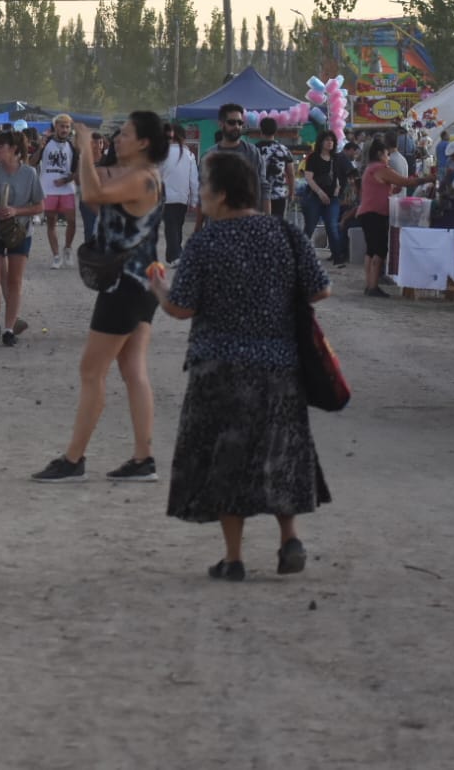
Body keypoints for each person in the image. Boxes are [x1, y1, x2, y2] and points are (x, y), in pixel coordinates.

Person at [153, 151, 331, 581]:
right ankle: (289, 538)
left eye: (206, 188)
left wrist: (159, 286)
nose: (202, 197)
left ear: (223, 194)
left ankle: (233, 559)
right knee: (281, 456)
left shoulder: (206, 242)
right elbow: (320, 291)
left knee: (226, 462)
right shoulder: (285, 234)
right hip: (280, 367)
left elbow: (180, 308)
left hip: (219, 369)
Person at [31, 113, 166, 483]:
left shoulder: (142, 178)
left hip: (125, 286)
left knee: (92, 371)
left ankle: (74, 458)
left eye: (125, 134)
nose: (116, 139)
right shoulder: (140, 175)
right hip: (140, 282)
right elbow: (96, 196)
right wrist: (89, 157)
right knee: (133, 370)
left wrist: (83, 153)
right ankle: (143, 458)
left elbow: (91, 194)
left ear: (143, 143)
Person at [0, 128, 44, 347]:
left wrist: (16, 211)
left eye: (1, 146)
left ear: (14, 150)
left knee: (14, 281)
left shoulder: (29, 174)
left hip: (19, 232)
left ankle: (9, 328)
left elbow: (40, 205)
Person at [355, 139, 430, 297]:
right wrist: (428, 179)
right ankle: (373, 286)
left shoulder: (370, 168)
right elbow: (406, 181)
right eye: (387, 154)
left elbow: (379, 189)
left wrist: (392, 190)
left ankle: (369, 284)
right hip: (376, 213)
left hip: (367, 212)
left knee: (371, 250)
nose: (388, 158)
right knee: (379, 250)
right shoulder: (380, 168)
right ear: (379, 154)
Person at [34, 114, 79, 269]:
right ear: (56, 128)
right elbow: (32, 162)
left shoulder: (72, 146)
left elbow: (77, 170)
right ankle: (56, 256)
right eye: (62, 126)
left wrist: (66, 180)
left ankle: (67, 247)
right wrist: (40, 148)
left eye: (67, 127)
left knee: (72, 221)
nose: (65, 130)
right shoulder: (46, 143)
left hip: (67, 189)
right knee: (51, 222)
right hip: (48, 188)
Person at [300, 130, 345, 266]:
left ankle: (338, 257)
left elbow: (339, 177)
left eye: (332, 140)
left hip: (332, 198)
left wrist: (337, 189)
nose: (330, 142)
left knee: (332, 225)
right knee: (310, 227)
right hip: (314, 196)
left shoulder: (336, 158)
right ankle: (301, 256)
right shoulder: (313, 157)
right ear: (321, 142)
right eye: (327, 140)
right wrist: (320, 192)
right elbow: (309, 178)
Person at [159, 122, 199, 262]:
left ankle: (174, 255)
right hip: (183, 198)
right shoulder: (189, 155)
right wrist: (194, 200)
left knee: (171, 227)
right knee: (178, 226)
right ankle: (175, 255)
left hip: (166, 198)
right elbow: (194, 180)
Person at [212, 103, 263, 210]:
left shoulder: (252, 153)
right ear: (221, 124)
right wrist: (198, 224)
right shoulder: (210, 155)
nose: (237, 126)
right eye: (232, 122)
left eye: (240, 123)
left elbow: (262, 188)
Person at [256, 116, 293, 219]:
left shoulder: (254, 150)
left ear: (261, 130)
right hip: (279, 194)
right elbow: (291, 173)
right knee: (278, 226)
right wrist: (291, 193)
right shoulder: (284, 149)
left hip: (259, 195)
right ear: (275, 131)